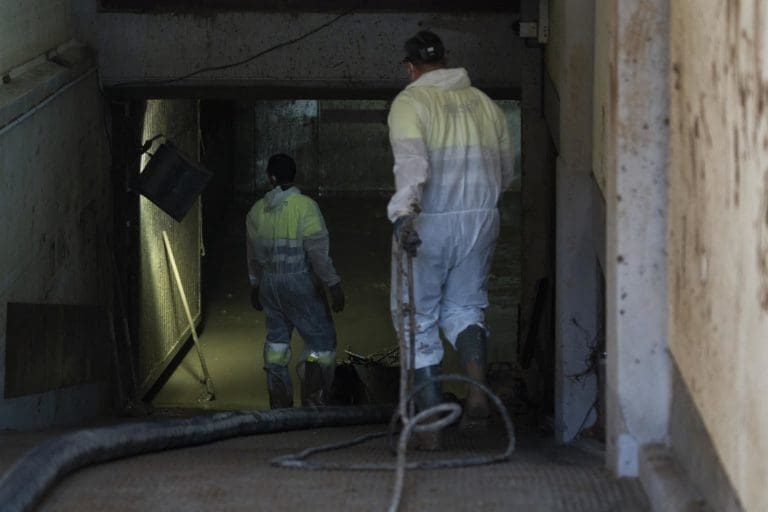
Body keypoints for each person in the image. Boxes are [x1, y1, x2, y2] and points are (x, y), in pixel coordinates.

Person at [388, 30, 517, 446]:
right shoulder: (485, 104)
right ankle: (476, 398)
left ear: (411, 68)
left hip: (430, 221)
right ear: (446, 60)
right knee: (466, 308)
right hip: (481, 218)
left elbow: (412, 164)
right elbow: (506, 172)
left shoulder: (411, 101)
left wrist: (403, 214)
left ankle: (430, 426)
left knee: (417, 318)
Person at [246, 153, 345, 408]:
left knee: (277, 343)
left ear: (270, 177)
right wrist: (333, 284)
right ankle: (314, 403)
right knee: (321, 343)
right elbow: (317, 253)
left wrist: (256, 285)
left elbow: (253, 255)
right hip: (301, 284)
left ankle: (279, 405)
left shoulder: (257, 211)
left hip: (270, 285)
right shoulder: (306, 207)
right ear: (295, 175)